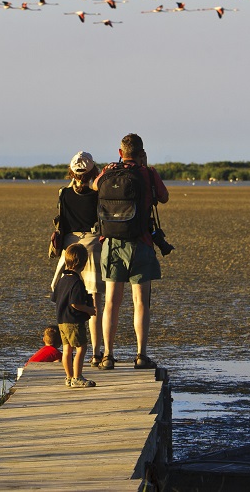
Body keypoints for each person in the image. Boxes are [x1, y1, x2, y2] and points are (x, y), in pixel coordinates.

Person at [93, 133, 169, 371]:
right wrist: (146, 169)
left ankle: (107, 355)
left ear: (120, 152)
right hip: (141, 243)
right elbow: (164, 197)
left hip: (112, 243)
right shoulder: (148, 173)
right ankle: (140, 355)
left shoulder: (108, 172)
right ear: (142, 153)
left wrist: (109, 170)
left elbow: (95, 186)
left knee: (111, 303)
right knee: (140, 303)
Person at [50, 151, 105, 366]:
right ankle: (96, 353)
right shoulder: (97, 194)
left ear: (72, 170)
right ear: (93, 170)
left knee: (68, 298)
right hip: (93, 245)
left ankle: (70, 351)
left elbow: (61, 222)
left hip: (69, 248)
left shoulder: (63, 193)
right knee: (94, 303)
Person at [51, 243, 98, 388]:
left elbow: (55, 298)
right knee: (81, 347)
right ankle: (77, 377)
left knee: (67, 349)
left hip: (61, 320)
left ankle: (69, 377)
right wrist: (89, 310)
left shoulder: (62, 280)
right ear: (83, 264)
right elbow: (75, 304)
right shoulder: (76, 282)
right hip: (73, 321)